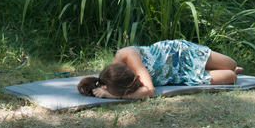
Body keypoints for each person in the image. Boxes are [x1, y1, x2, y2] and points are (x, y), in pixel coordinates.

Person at [77, 40, 243, 100]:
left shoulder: (126, 56)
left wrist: (116, 95)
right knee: (231, 77)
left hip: (180, 53)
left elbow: (149, 91)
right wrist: (112, 94)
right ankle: (228, 71)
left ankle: (215, 64)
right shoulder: (113, 81)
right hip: (179, 75)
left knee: (231, 64)